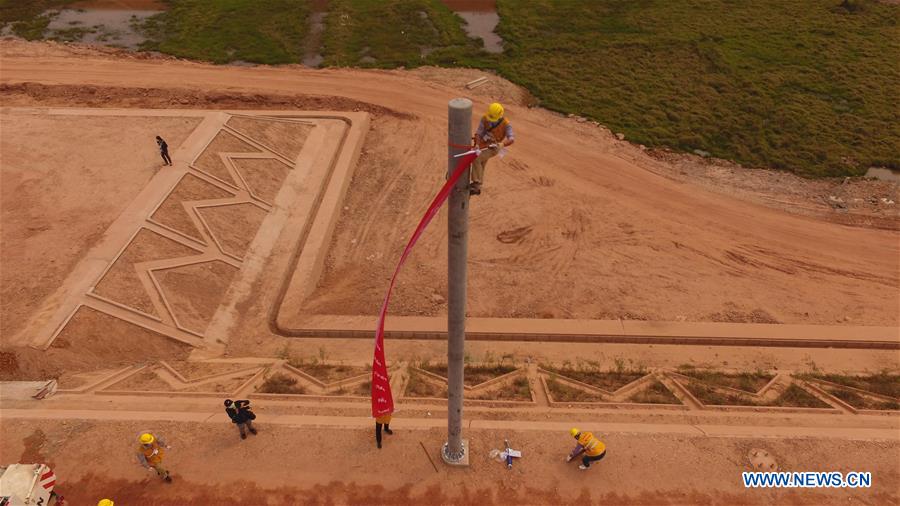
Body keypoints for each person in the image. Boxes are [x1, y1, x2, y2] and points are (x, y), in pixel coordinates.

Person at [469, 102, 515, 196]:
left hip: (494, 147)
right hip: (482, 144)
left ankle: (476, 184)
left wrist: (501, 144)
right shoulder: (485, 118)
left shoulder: (506, 124)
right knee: (481, 163)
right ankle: (477, 185)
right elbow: (479, 133)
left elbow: (511, 139)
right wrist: (477, 144)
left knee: (476, 158)